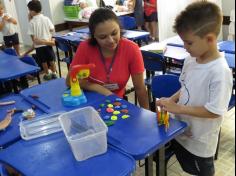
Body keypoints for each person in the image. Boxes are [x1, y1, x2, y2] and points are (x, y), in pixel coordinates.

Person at [156, 2, 233, 176]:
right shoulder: (191, 59)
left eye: (189, 43)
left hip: (199, 143)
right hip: (181, 132)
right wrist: (172, 100)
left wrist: (179, 108)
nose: (185, 47)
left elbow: (215, 111)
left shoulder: (220, 72)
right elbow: (185, 87)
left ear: (210, 39)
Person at [66, 8, 149, 109]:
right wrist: (98, 88)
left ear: (120, 28)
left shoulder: (131, 49)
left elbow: (140, 88)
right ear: (94, 36)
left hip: (116, 103)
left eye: (114, 33)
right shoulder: (85, 47)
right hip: (88, 102)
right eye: (102, 37)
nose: (110, 40)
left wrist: (147, 115)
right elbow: (69, 82)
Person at [27, 0, 57, 81]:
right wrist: (49, 37)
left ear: (32, 11)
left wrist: (35, 40)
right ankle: (54, 73)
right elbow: (52, 29)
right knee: (51, 60)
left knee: (43, 62)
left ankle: (47, 74)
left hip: (39, 46)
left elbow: (32, 37)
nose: (29, 12)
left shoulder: (31, 22)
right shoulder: (46, 18)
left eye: (29, 10)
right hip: (48, 44)